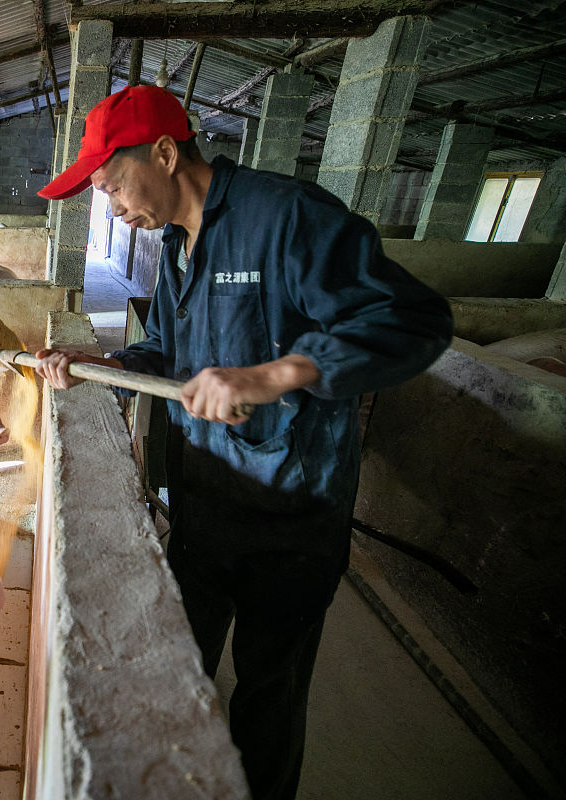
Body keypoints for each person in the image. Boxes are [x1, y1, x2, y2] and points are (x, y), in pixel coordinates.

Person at [34, 84, 453, 800]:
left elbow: (415, 320)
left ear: (165, 153)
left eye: (109, 185)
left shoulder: (286, 217)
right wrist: (103, 368)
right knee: (177, 674)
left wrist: (276, 374)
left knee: (269, 697)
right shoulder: (174, 248)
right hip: (200, 510)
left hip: (291, 525)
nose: (110, 206)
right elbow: (165, 351)